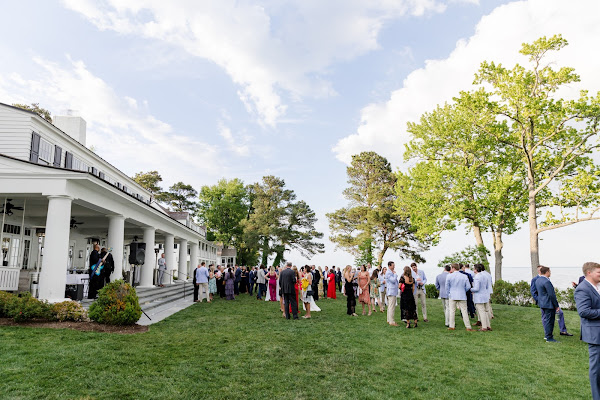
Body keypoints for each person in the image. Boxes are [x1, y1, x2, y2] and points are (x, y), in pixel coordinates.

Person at [574, 262, 600, 399]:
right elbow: (584, 312)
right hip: (595, 335)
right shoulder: (582, 289)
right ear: (589, 273)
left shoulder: (597, 287)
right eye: (599, 273)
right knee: (596, 369)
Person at [531, 265, 572, 337]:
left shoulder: (545, 279)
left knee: (560, 313)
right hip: (546, 303)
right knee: (546, 318)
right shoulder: (536, 280)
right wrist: (539, 300)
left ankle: (562, 331)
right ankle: (548, 334)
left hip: (548, 302)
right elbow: (534, 292)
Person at [535, 266, 562, 342]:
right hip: (548, 304)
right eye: (549, 271)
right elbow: (552, 295)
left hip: (542, 303)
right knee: (550, 321)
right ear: (546, 272)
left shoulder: (538, 280)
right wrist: (556, 305)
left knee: (547, 320)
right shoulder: (547, 281)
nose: (550, 273)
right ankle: (549, 337)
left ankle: (547, 336)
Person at [446, 264, 473, 331]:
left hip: (452, 295)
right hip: (462, 295)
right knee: (464, 311)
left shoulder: (449, 276)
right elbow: (468, 286)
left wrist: (449, 293)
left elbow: (447, 287)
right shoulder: (464, 276)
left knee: (452, 311)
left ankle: (451, 326)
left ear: (453, 268)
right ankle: (468, 326)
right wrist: (463, 291)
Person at [471, 264, 491, 331]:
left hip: (479, 297)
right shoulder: (485, 276)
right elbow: (487, 287)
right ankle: (488, 326)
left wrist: (470, 289)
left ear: (476, 270)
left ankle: (484, 327)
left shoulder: (477, 277)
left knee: (481, 312)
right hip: (485, 295)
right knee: (485, 311)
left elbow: (476, 289)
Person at [385, 261, 399, 326]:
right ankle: (392, 321)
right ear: (389, 266)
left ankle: (389, 320)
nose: (394, 266)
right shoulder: (388, 273)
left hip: (392, 291)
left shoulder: (390, 272)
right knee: (391, 307)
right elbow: (393, 280)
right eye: (393, 265)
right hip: (391, 291)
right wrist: (395, 274)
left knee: (390, 306)